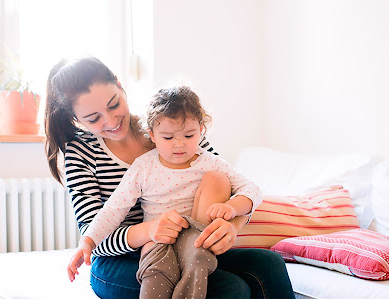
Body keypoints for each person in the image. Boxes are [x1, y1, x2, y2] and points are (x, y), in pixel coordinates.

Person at [45, 55, 295, 298]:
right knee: (231, 288)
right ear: (76, 119)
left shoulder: (171, 124)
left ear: (120, 86)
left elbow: (232, 185)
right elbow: (95, 235)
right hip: (123, 259)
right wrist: (151, 230)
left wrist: (231, 227)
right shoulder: (81, 152)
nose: (111, 121)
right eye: (93, 118)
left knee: (269, 263)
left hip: (188, 243)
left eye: (113, 105)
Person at [68, 85, 262, 298]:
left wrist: (232, 210)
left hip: (195, 243)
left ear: (201, 130)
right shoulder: (143, 166)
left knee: (202, 263)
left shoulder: (209, 160)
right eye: (168, 138)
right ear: (151, 135)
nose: (179, 144)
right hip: (157, 244)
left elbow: (251, 189)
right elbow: (113, 210)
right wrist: (87, 241)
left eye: (189, 135)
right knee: (157, 277)